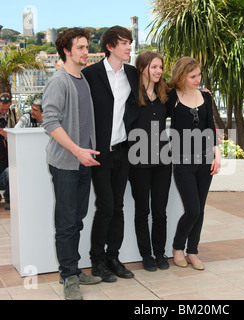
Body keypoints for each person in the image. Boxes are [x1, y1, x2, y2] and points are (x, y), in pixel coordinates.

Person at [42, 27, 102, 300]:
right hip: (67, 163)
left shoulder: (83, 80)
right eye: (79, 47)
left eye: (86, 47)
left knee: (76, 220)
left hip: (83, 162)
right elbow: (50, 122)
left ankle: (74, 270)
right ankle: (68, 276)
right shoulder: (59, 81)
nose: (85, 52)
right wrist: (78, 151)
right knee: (66, 223)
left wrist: (84, 153)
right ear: (66, 51)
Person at [82, 26, 139, 282]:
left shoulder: (132, 73)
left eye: (130, 42)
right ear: (110, 46)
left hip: (124, 151)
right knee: (105, 207)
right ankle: (97, 261)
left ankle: (113, 258)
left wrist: (199, 93)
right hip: (99, 152)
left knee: (118, 207)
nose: (129, 47)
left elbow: (156, 90)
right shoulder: (90, 74)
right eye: (124, 42)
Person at [167, 57, 221, 271]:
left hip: (205, 159)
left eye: (199, 75)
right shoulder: (171, 97)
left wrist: (217, 155)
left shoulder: (205, 96)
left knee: (201, 208)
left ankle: (193, 251)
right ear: (181, 76)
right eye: (193, 76)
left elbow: (210, 126)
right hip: (183, 161)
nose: (198, 79)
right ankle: (177, 248)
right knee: (193, 209)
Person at [128, 51, 171, 271]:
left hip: (163, 159)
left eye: (160, 67)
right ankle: (146, 255)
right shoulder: (132, 94)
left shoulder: (165, 93)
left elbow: (187, 99)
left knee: (160, 211)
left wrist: (204, 95)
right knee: (142, 210)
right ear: (142, 67)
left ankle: (160, 253)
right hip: (138, 160)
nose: (158, 71)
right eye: (154, 67)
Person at [0, 92, 23, 209]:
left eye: (6, 108)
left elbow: (21, 130)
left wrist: (9, 134)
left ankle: (9, 199)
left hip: (8, 156)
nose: (4, 111)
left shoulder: (15, 113)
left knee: (11, 171)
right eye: (2, 109)